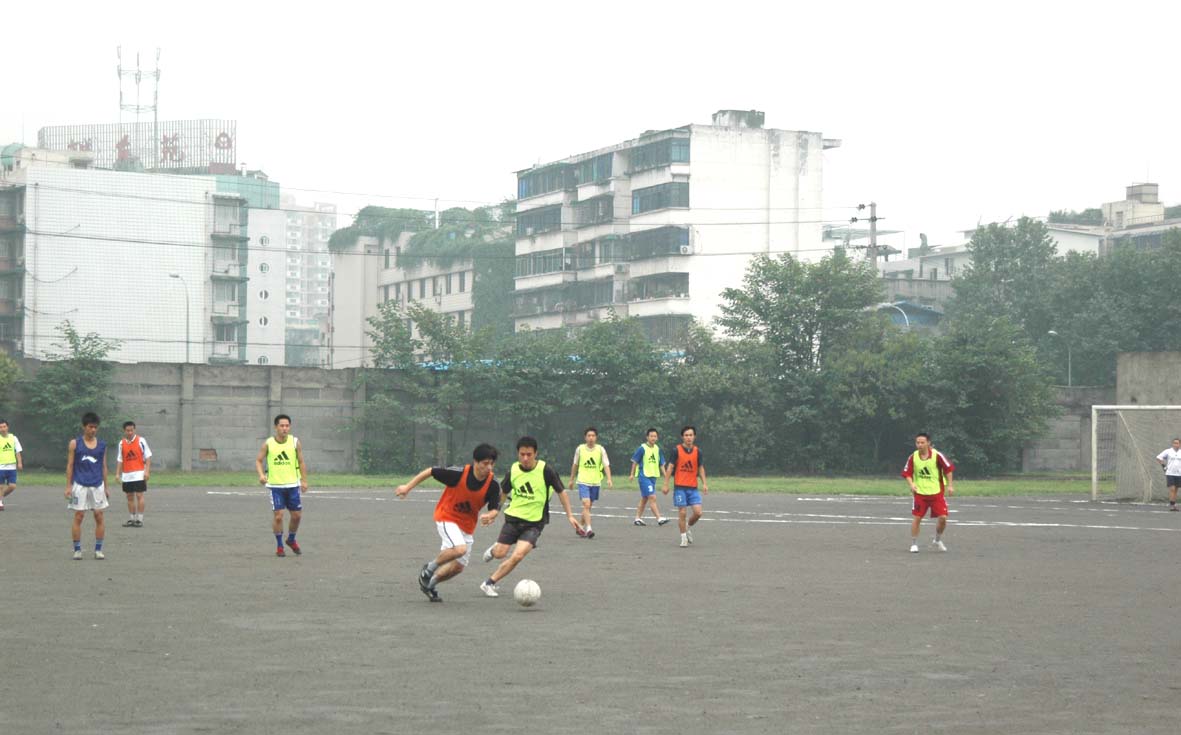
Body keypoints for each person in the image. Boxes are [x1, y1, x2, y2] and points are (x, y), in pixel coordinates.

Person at [395, 444, 502, 602]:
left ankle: (429, 585)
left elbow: (495, 508)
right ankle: (429, 569)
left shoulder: (493, 484)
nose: (489, 467)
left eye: (492, 464)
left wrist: (490, 515)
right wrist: (407, 487)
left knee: (458, 567)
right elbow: (431, 471)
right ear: (475, 462)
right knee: (460, 549)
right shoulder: (458, 474)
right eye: (485, 463)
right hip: (447, 517)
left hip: (466, 526)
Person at [479, 436, 580, 597]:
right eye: (522, 454)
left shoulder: (546, 470)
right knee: (500, 553)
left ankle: (489, 583)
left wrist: (570, 516)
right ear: (518, 454)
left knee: (518, 555)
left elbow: (561, 492)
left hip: (534, 523)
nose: (525, 458)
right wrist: (495, 512)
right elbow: (503, 493)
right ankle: (494, 550)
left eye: (529, 454)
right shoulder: (513, 470)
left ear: (535, 454)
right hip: (513, 519)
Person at [255, 414, 309, 557]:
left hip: (293, 485)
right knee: (278, 516)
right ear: (276, 427)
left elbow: (301, 462)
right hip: (276, 486)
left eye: (287, 426)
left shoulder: (295, 442)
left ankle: (291, 539)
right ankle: (279, 546)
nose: (285, 428)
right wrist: (261, 475)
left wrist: (304, 480)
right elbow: (259, 460)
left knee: (296, 516)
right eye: (282, 426)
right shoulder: (268, 443)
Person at [901, 432, 956, 553]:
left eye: (922, 442)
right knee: (917, 518)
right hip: (920, 494)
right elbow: (907, 473)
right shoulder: (913, 457)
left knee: (943, 518)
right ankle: (914, 544)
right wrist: (912, 484)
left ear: (928, 443)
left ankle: (937, 539)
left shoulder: (937, 455)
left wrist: (950, 485)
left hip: (936, 493)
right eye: (917, 442)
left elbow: (948, 469)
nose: (919, 445)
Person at [65, 412, 109, 560]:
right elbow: (70, 465)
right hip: (79, 485)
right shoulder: (75, 443)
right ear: (84, 427)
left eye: (95, 427)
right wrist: (68, 486)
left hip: (97, 485)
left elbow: (104, 466)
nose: (93, 430)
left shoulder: (102, 445)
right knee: (79, 516)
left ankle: (98, 550)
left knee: (99, 515)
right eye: (90, 427)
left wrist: (106, 487)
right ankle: (77, 550)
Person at [663, 425, 708, 548]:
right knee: (682, 512)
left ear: (694, 436)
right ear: (682, 437)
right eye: (686, 435)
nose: (689, 437)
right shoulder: (676, 450)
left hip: (693, 488)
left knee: (698, 513)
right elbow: (670, 467)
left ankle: (687, 527)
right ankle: (683, 538)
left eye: (691, 435)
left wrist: (704, 483)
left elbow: (700, 468)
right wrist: (666, 484)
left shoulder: (698, 452)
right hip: (680, 487)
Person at [569, 427, 612, 538]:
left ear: (596, 437)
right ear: (585, 437)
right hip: (583, 481)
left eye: (593, 436)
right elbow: (575, 464)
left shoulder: (601, 449)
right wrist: (571, 479)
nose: (591, 438)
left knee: (588, 507)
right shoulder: (580, 449)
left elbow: (606, 465)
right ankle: (589, 529)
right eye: (589, 436)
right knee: (586, 504)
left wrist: (609, 479)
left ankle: (580, 527)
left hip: (595, 482)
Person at [629, 428, 668, 526]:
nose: (653, 438)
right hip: (644, 476)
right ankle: (659, 518)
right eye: (651, 436)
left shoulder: (657, 449)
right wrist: (632, 474)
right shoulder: (642, 448)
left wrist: (666, 476)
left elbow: (661, 464)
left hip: (653, 477)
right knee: (652, 496)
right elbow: (634, 461)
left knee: (645, 498)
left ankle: (637, 518)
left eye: (655, 436)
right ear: (647, 437)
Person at [117, 421, 152, 527]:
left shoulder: (141, 441)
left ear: (134, 430)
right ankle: (131, 519)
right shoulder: (121, 443)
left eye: (131, 430)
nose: (130, 432)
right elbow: (120, 459)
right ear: (124, 431)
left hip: (139, 473)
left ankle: (139, 520)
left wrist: (147, 471)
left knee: (139, 495)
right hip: (127, 475)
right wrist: (117, 474)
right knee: (129, 496)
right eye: (128, 430)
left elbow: (148, 456)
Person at [0, 419, 23, 511]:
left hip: (12, 467)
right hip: (1, 466)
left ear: (7, 427)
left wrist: (19, 462)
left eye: (4, 426)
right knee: (0, 486)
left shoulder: (13, 438)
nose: (3, 429)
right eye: (0, 427)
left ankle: (0, 497)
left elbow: (18, 451)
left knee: (12, 486)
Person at [1156, 437, 1181, 511]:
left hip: (1179, 474)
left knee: (1176, 490)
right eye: (1174, 443)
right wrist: (1164, 466)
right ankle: (1172, 505)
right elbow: (1158, 457)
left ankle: (1174, 504)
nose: (1175, 444)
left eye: (1177, 443)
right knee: (1172, 489)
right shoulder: (1168, 451)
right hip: (1170, 473)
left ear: (1180, 444)